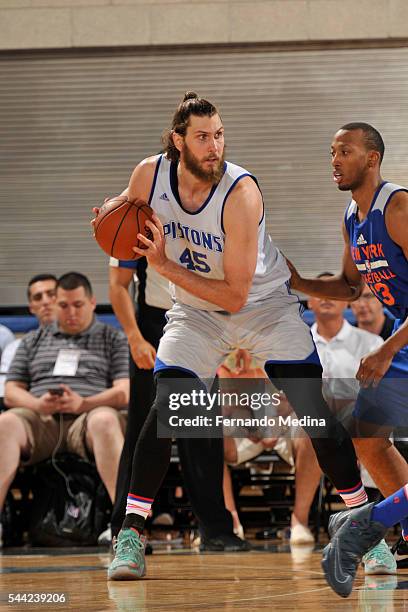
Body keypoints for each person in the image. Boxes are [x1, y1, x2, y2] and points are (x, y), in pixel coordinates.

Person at [106, 93, 368, 581]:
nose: (214, 146)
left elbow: (234, 295)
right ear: (177, 141)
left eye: (219, 134)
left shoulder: (240, 191)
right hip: (195, 311)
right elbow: (123, 217)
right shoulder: (149, 175)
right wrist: (107, 220)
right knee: (169, 412)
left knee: (312, 410)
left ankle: (362, 524)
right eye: (203, 137)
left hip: (261, 306)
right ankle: (131, 533)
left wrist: (161, 266)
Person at [287, 122, 408, 597]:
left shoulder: (397, 207)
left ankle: (367, 521)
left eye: (345, 151)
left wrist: (385, 348)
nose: (334, 160)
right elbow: (351, 287)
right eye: (331, 152)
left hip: (396, 340)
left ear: (372, 158)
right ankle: (379, 524)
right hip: (401, 338)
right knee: (368, 440)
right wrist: (298, 282)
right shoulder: (352, 218)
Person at [109, 256, 251, 550]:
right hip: (150, 327)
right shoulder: (137, 214)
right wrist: (134, 337)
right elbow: (118, 285)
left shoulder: (214, 214)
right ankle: (125, 530)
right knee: (143, 428)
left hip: (198, 321)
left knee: (202, 431)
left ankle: (215, 529)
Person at [0, 272, 129, 537]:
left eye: (78, 305)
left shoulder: (113, 338)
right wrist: (38, 404)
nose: (71, 312)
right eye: (64, 305)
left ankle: (124, 527)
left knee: (104, 419)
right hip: (42, 420)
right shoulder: (32, 340)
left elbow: (124, 392)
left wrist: (84, 403)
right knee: (7, 422)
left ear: (92, 302)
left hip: (88, 419)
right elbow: (12, 392)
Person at [0, 274, 58, 404]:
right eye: (38, 297)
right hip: (31, 413)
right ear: (31, 307)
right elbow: (5, 392)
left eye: (51, 294)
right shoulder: (15, 347)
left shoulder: (88, 341)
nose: (45, 301)